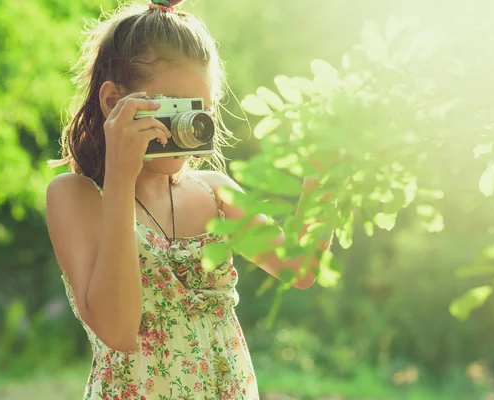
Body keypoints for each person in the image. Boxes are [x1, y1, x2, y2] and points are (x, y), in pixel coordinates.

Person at [46, 1, 328, 399]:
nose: (190, 125)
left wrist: (326, 176)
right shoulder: (75, 196)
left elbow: (300, 267)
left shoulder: (215, 193)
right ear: (113, 102)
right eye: (176, 106)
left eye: (203, 110)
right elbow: (118, 329)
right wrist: (121, 179)